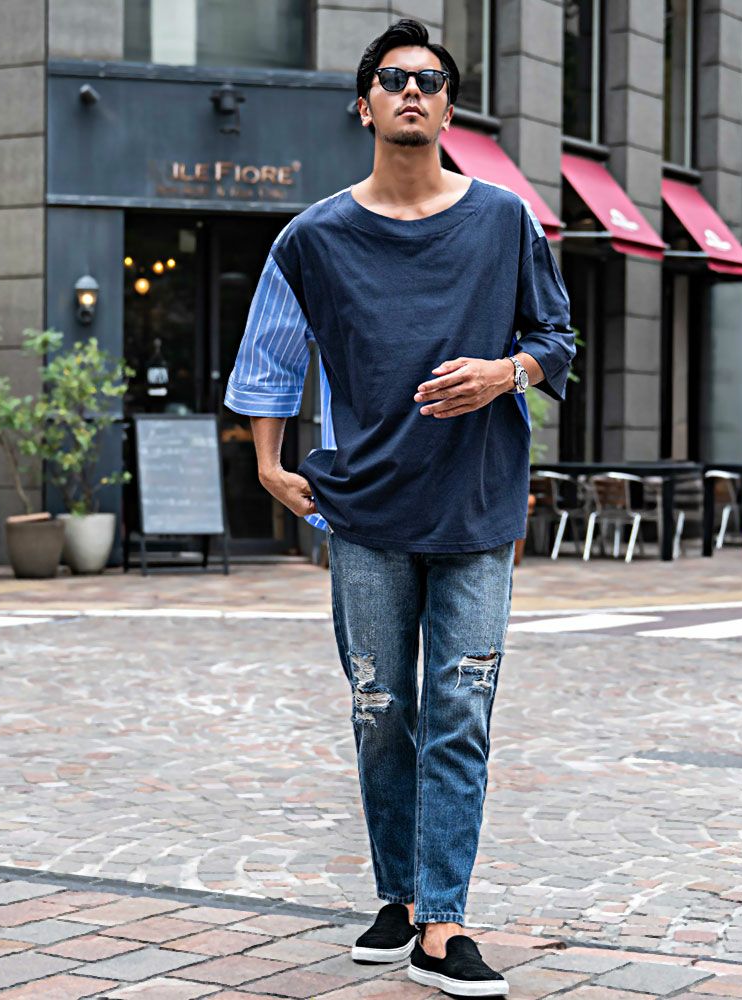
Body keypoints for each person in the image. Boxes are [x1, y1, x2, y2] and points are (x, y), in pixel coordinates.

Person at [224, 17, 574, 997]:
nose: (410, 89)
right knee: (382, 711)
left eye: (429, 78)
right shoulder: (314, 237)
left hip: (476, 505)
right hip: (367, 511)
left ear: (450, 107)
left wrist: (504, 372)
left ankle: (442, 922)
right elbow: (270, 354)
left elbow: (555, 338)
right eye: (391, 77)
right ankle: (400, 896)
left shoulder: (504, 221)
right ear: (364, 105)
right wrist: (267, 464)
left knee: (459, 712)